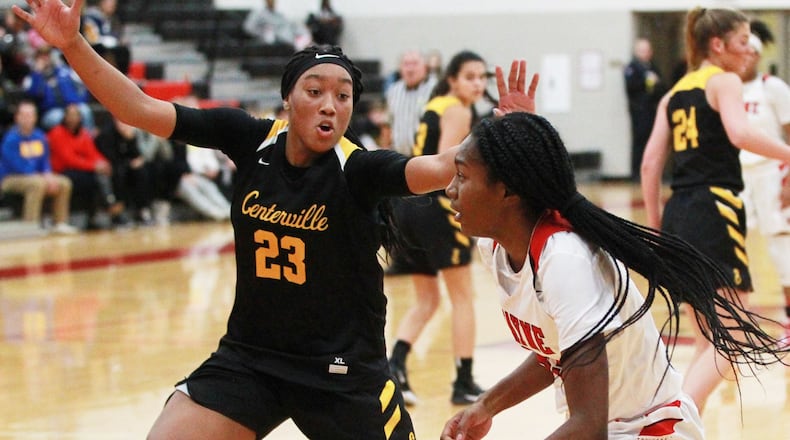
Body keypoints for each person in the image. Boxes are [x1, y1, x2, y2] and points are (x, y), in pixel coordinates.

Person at [12, 0, 536, 437]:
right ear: (288, 98)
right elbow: (139, 108)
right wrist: (73, 45)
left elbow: (441, 167)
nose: (330, 105)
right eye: (315, 91)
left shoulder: (359, 168)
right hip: (251, 359)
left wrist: (503, 132)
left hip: (342, 373)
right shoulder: (248, 138)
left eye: (343, 96)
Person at [440, 109, 789, 439]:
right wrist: (486, 405)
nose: (450, 189)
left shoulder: (564, 260)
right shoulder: (496, 248)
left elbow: (588, 426)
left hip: (650, 430)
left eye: (462, 176)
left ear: (507, 190)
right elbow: (555, 353)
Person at [641, 7, 790, 414]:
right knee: (735, 336)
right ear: (718, 45)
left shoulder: (673, 93)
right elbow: (740, 133)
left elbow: (650, 165)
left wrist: (657, 226)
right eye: (743, 41)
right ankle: (675, 417)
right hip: (713, 209)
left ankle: (684, 428)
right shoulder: (724, 81)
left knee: (708, 342)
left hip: (679, 213)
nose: (750, 50)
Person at [388, 50, 489, 406]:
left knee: (427, 299)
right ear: (452, 80)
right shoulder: (458, 110)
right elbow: (449, 163)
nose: (478, 84)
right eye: (470, 77)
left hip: (408, 207)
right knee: (463, 297)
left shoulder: (435, 105)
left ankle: (395, 367)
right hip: (436, 209)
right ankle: (464, 380)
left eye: (482, 77)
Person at [738, 20, 790, 346]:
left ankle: (789, 320)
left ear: (757, 56)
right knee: (731, 250)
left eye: (751, 52)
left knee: (782, 248)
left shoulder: (773, 88)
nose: (745, 58)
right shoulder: (723, 88)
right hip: (735, 177)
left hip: (771, 173)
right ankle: (733, 320)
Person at [0, 100, 76, 233]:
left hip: (37, 176)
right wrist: (43, 177)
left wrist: (48, 175)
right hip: (10, 178)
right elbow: (16, 165)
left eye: (30, 115)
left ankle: (60, 223)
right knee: (37, 184)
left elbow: (45, 161)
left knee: (64, 183)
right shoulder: (10, 139)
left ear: (35, 118)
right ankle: (30, 225)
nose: (27, 118)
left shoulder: (40, 137)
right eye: (24, 115)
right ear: (17, 118)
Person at [47, 102, 126, 228]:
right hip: (62, 170)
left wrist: (103, 163)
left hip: (81, 169)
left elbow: (92, 153)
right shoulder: (57, 133)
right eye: (70, 115)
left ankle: (103, 212)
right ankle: (110, 208)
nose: (73, 118)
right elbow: (69, 159)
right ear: (65, 117)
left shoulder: (83, 133)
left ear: (80, 118)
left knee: (111, 172)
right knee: (93, 179)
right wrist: (94, 166)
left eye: (76, 115)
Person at [23, 45, 94, 131]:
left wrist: (77, 102)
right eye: (41, 56)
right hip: (52, 110)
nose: (45, 59)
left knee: (85, 110)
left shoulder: (65, 71)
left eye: (47, 55)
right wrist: (37, 73)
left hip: (73, 105)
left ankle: (87, 137)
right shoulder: (32, 77)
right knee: (56, 118)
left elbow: (82, 88)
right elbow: (33, 95)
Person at [624, 38, 663, 181]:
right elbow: (631, 87)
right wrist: (646, 81)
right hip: (639, 111)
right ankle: (637, 172)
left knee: (653, 141)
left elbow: (661, 87)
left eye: (647, 50)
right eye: (642, 50)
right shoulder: (632, 68)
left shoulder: (653, 67)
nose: (645, 53)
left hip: (652, 109)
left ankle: (654, 172)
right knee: (640, 141)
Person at [385, 50, 437, 156]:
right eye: (406, 64)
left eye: (415, 64)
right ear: (400, 68)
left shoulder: (436, 89)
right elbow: (388, 124)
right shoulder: (393, 90)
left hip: (426, 157)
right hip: (399, 156)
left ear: (425, 67)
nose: (410, 69)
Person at [243, 0, 311, 51]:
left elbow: (288, 25)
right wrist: (262, 32)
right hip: (270, 39)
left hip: (287, 37)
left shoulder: (279, 14)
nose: (272, 1)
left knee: (300, 31)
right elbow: (248, 27)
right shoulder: (258, 13)